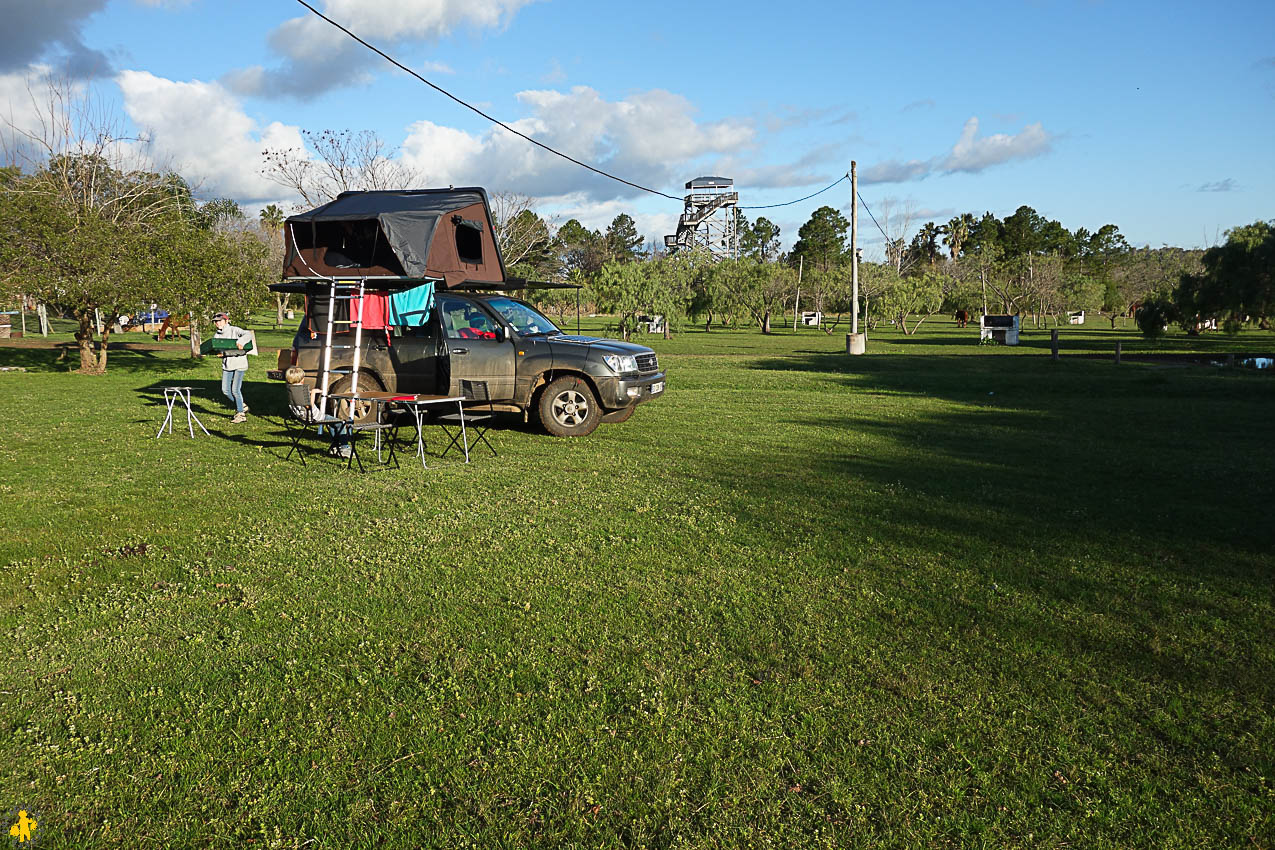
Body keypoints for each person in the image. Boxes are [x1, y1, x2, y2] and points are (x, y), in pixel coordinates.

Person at [284, 366, 352, 457]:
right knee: (341, 423)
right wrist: (313, 394)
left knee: (332, 424)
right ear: (302, 379)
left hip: (301, 416)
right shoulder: (302, 391)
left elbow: (302, 404)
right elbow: (309, 406)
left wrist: (309, 393)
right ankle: (345, 447)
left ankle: (335, 447)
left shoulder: (292, 390)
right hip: (315, 417)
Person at [212, 311, 251, 423]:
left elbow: (247, 334)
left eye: (220, 321)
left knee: (235, 389)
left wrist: (241, 342)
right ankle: (242, 405)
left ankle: (240, 414)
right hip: (227, 365)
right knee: (225, 390)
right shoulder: (217, 335)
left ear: (226, 320)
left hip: (239, 364)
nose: (218, 323)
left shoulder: (234, 330)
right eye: (215, 322)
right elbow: (218, 348)